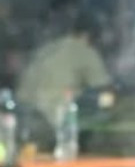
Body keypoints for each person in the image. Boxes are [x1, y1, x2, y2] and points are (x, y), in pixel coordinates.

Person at [16, 9, 115, 152]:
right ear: (92, 35)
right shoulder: (85, 51)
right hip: (51, 122)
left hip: (23, 118)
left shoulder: (49, 48)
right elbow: (105, 94)